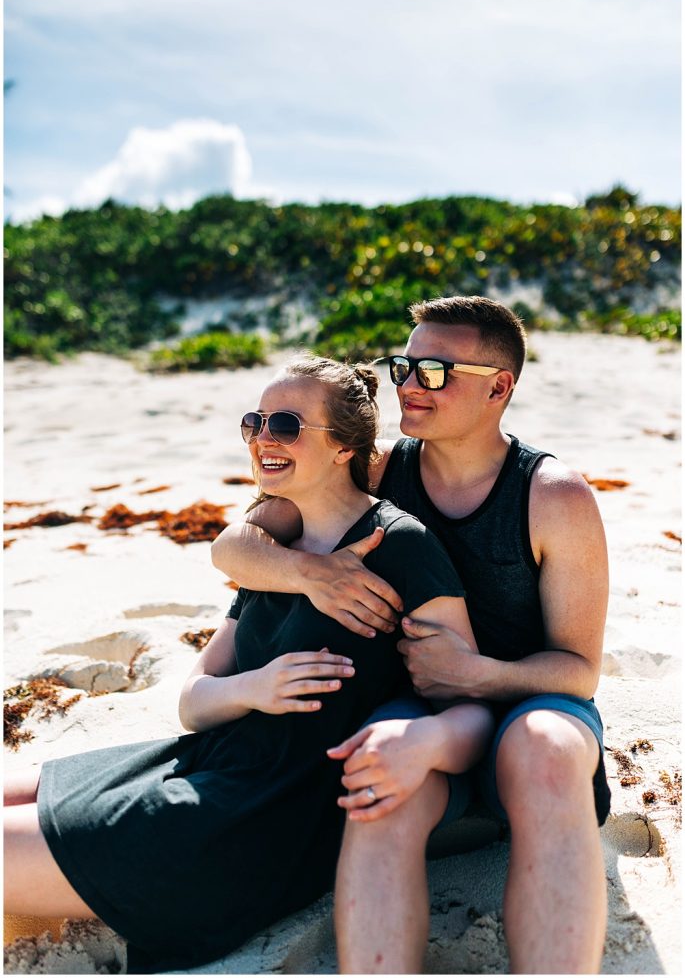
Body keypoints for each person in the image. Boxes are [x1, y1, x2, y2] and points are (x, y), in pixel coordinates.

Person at [3, 354, 494, 974]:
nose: (264, 438)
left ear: (346, 448)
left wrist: (422, 742)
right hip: (202, 761)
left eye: (286, 425)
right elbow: (194, 700)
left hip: (260, 814)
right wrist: (256, 688)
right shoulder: (271, 548)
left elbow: (471, 705)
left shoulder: (400, 546)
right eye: (253, 422)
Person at [211, 296, 612, 975]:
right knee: (378, 768)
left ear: (498, 386)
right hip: (419, 710)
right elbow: (232, 548)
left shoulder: (553, 496)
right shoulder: (376, 470)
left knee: (541, 747)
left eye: (433, 371)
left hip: (532, 710)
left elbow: (577, 670)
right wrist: (311, 575)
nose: (406, 385)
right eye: (403, 365)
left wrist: (480, 675)